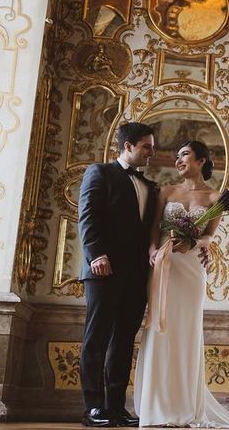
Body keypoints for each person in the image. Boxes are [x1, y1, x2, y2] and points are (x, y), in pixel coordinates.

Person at [133, 141, 229, 427]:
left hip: (191, 270)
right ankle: (156, 406)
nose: (178, 160)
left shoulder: (215, 198)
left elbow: (209, 238)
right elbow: (154, 227)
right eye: (177, 156)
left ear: (201, 160)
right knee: (160, 328)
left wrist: (193, 242)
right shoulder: (166, 191)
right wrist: (153, 250)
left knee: (186, 331)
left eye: (185, 155)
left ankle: (184, 407)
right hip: (165, 265)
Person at [78, 122, 158, 428]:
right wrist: (97, 254)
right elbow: (88, 217)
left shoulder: (150, 187)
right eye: (147, 146)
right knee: (96, 338)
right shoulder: (99, 172)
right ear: (128, 146)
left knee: (124, 340)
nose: (152, 152)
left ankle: (115, 407)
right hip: (103, 269)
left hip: (136, 275)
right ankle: (93, 408)